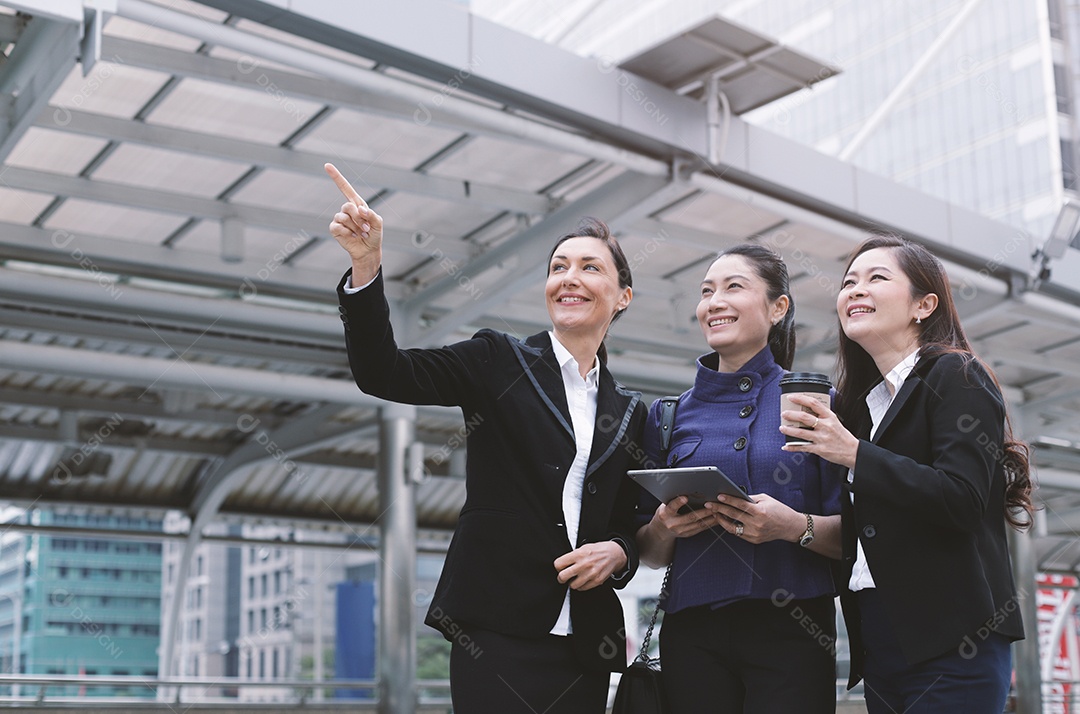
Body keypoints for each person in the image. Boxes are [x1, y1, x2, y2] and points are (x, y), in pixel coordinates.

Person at [324, 163, 648, 713]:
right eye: (558, 267)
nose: (568, 277)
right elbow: (385, 373)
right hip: (496, 627)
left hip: (587, 640)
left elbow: (633, 524)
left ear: (622, 297)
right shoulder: (499, 359)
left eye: (589, 267)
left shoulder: (631, 411)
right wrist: (367, 266)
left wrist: (619, 553)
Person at [780, 235, 1032, 713]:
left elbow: (962, 499)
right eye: (849, 281)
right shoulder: (861, 408)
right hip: (881, 640)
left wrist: (856, 455)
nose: (855, 289)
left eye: (876, 278)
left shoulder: (958, 376)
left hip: (954, 638)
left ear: (924, 304)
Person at [635, 244, 843, 714]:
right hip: (693, 632)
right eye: (707, 291)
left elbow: (857, 532)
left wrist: (793, 527)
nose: (714, 302)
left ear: (778, 308)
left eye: (733, 287)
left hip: (794, 629)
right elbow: (648, 552)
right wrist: (665, 529)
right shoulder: (668, 415)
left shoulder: (815, 402)